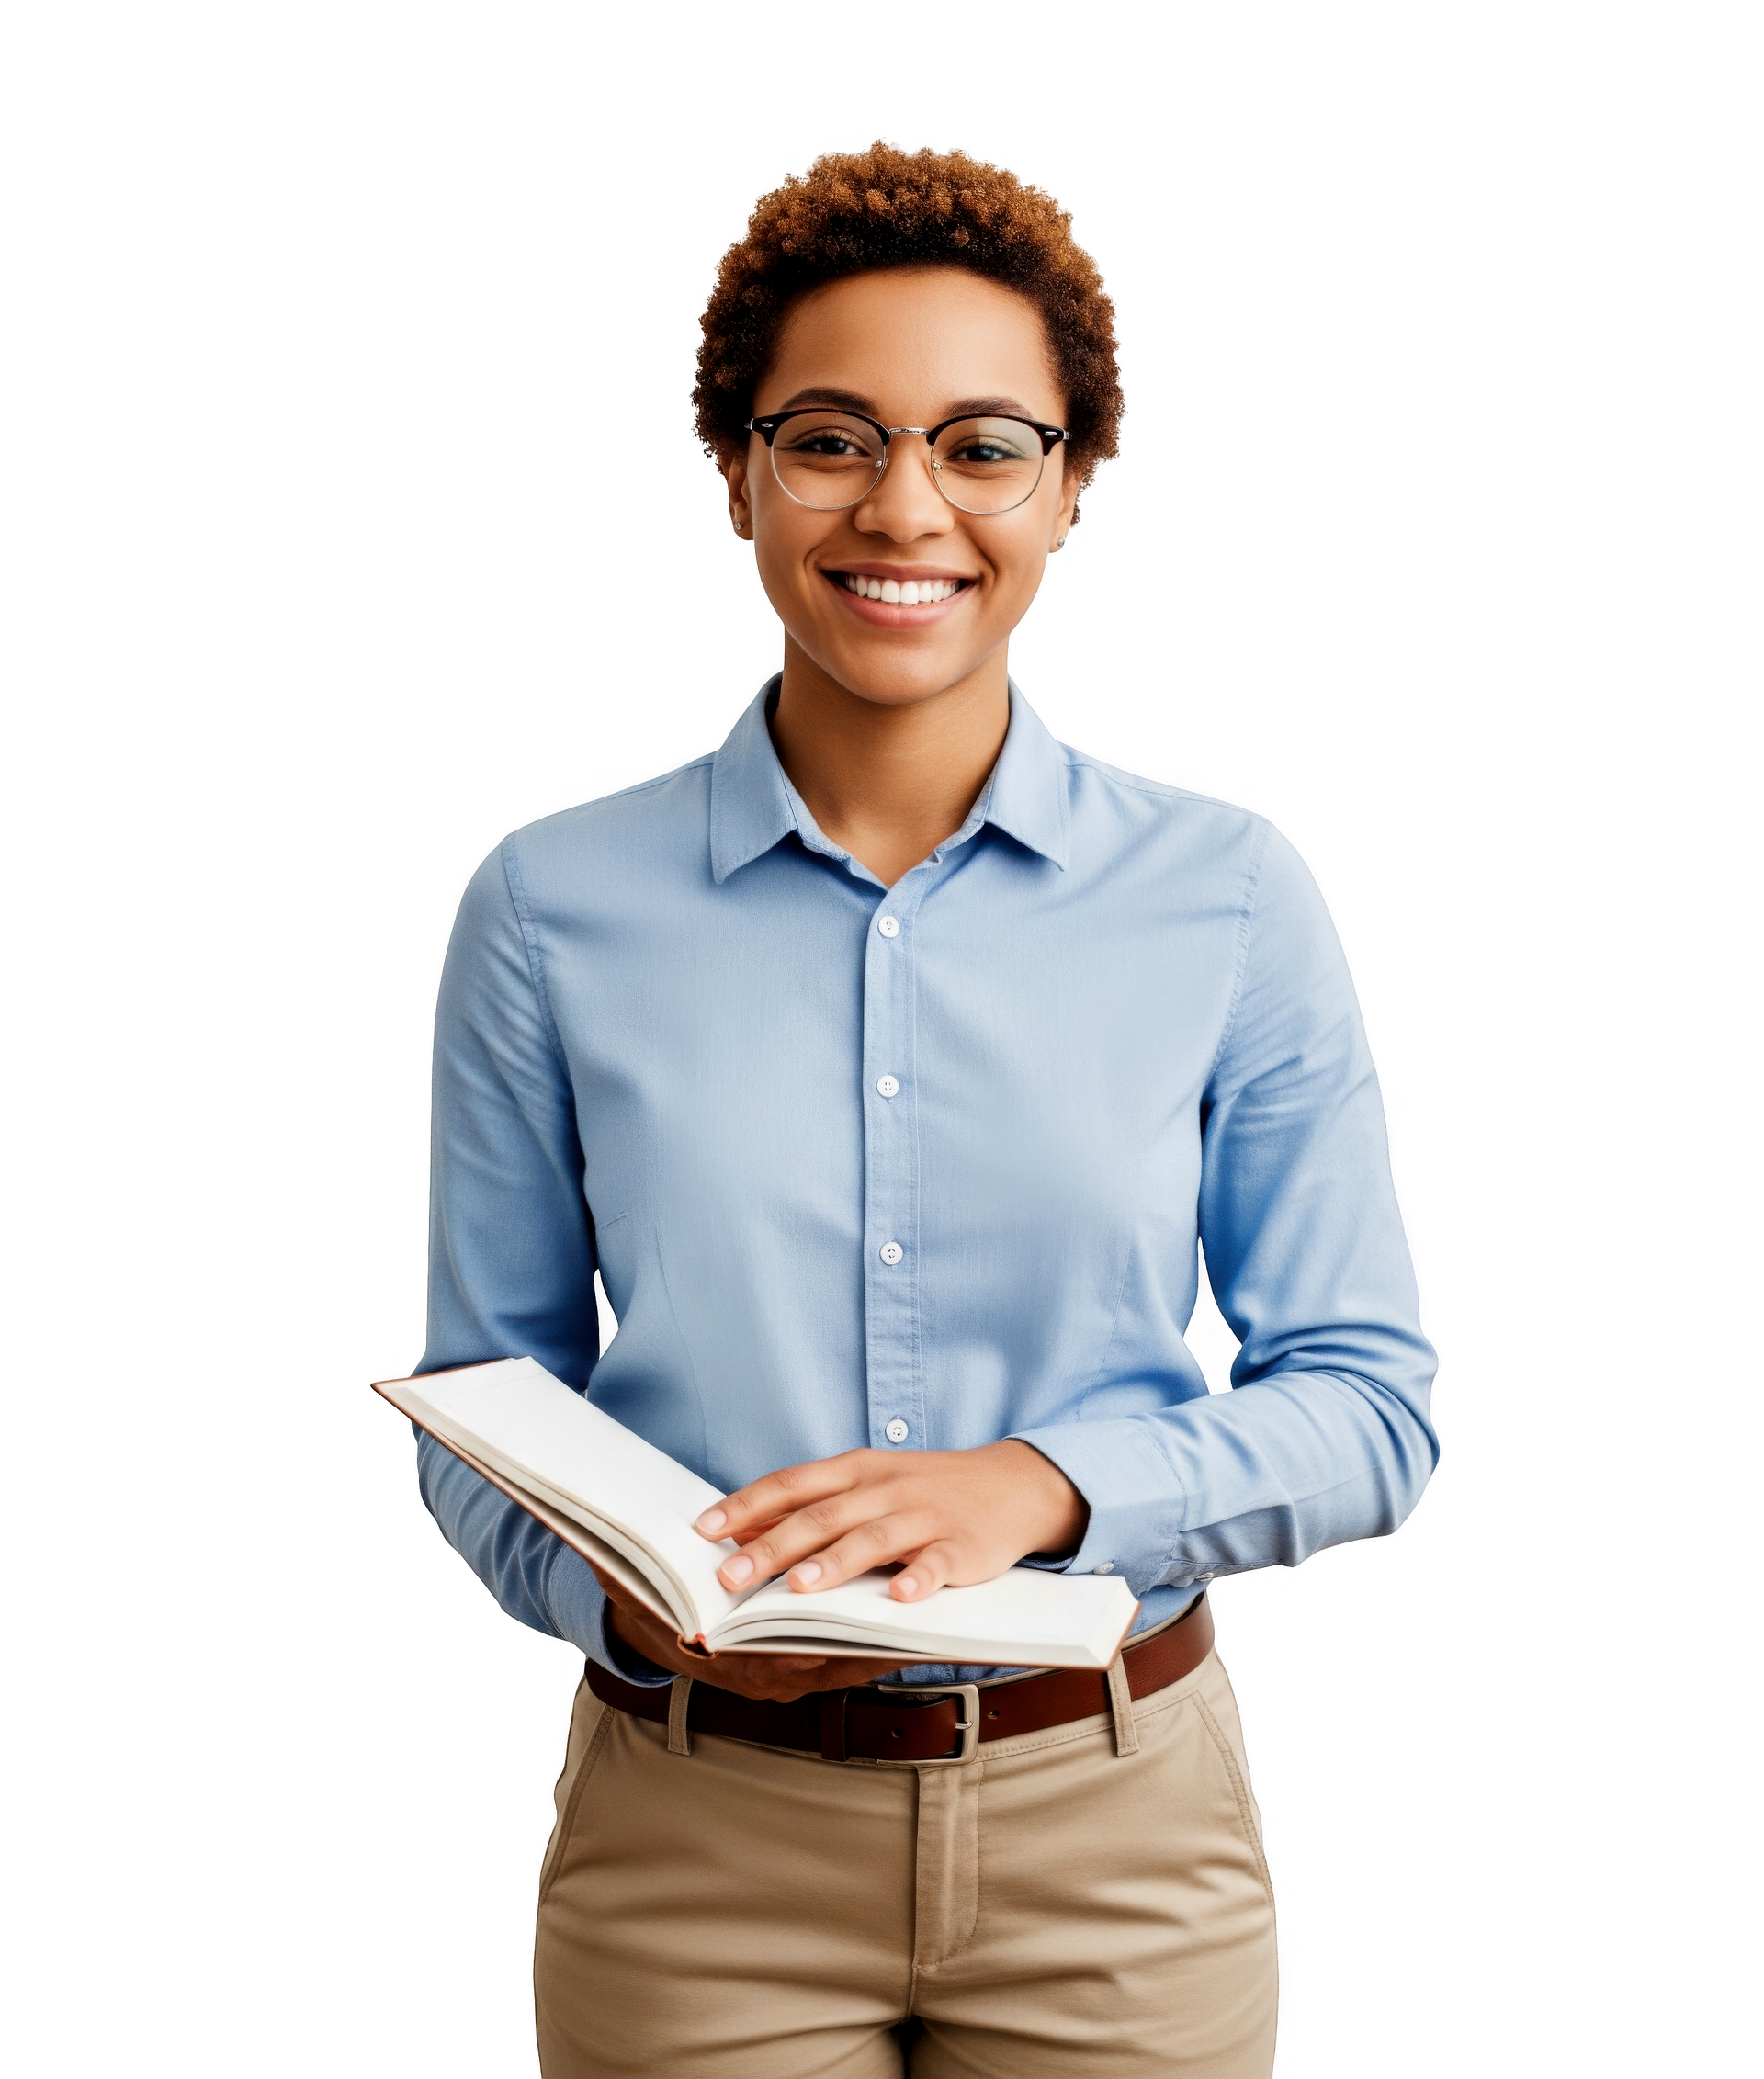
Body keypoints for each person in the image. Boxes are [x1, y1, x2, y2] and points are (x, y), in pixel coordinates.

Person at [411, 141, 1440, 2077]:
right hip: (688, 1841)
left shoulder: (1228, 894)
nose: (905, 508)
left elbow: (1374, 1408)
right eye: (828, 439)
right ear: (733, 474)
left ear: (1070, 488)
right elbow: (485, 1407)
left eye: (984, 445)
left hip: (1121, 1839)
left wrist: (1043, 1489)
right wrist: (635, 1621)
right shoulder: (548, 907)